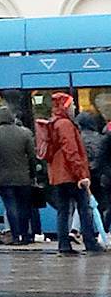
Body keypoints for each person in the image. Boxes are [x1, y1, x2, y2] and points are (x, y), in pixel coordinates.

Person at [34, 93, 103, 256]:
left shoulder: (54, 123)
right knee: (84, 209)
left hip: (58, 174)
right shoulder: (65, 124)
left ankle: (64, 245)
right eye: (71, 105)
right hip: (70, 174)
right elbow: (71, 151)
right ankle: (89, 242)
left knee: (63, 211)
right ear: (65, 106)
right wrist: (81, 175)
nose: (74, 108)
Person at [0, 104, 40, 245]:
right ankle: (25, 234)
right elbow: (32, 156)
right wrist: (33, 174)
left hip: (3, 178)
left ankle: (15, 236)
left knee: (10, 207)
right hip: (23, 177)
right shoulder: (25, 133)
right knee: (24, 207)